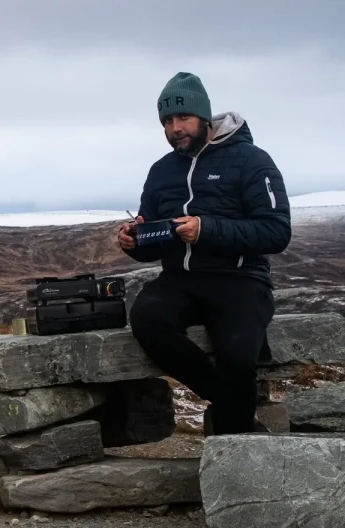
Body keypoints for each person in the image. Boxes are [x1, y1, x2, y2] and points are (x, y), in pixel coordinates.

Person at [117, 72, 292, 435]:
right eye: (167, 120)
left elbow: (276, 231)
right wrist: (134, 241)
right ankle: (231, 406)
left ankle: (239, 447)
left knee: (238, 354)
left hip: (240, 280)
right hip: (180, 281)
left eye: (183, 118)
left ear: (204, 118)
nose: (175, 128)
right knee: (147, 319)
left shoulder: (251, 161)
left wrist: (206, 229)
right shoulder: (162, 171)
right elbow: (152, 240)